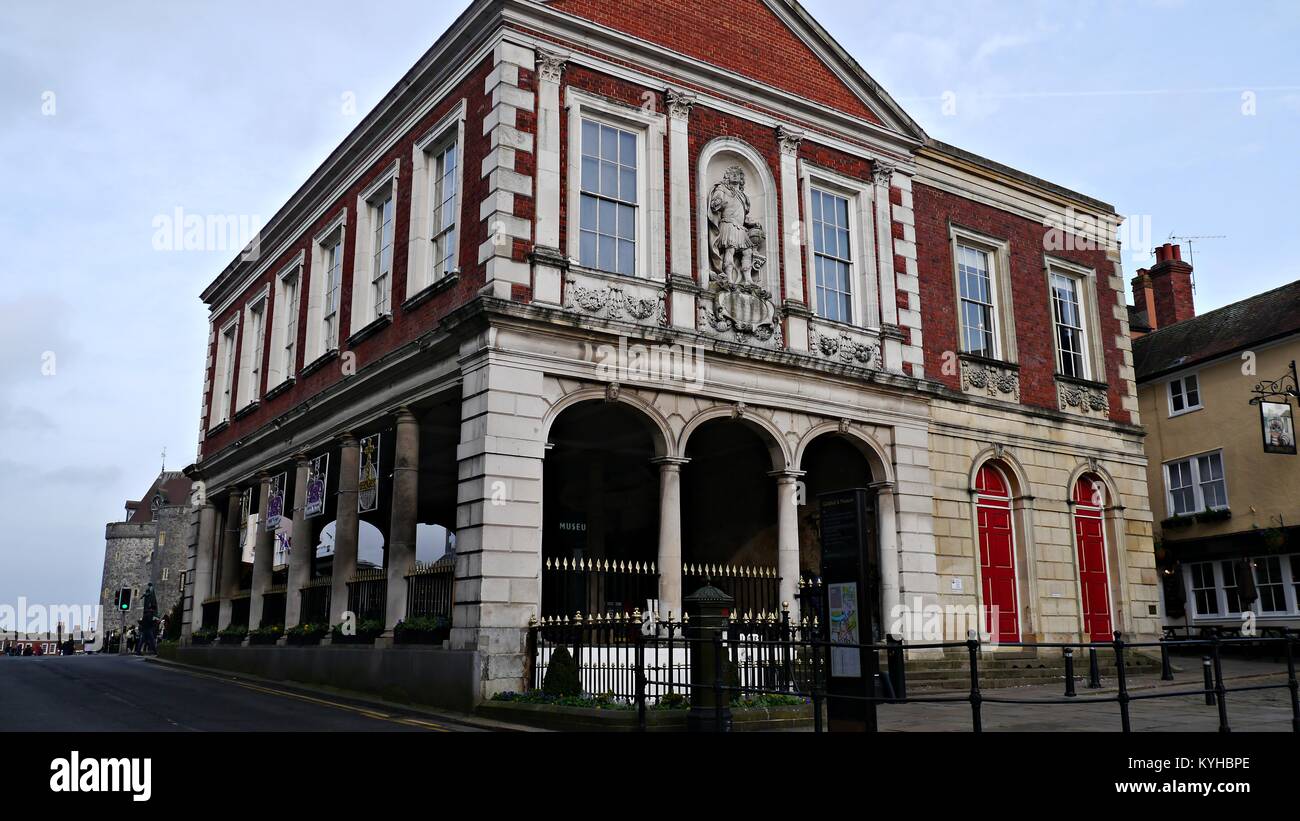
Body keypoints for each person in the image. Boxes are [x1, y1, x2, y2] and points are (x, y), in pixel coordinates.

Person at [139, 583, 159, 655]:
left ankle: (138, 651)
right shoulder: (149, 614)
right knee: (152, 640)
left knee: (142, 640)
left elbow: (148, 594)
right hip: (148, 628)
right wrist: (154, 622)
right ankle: (155, 651)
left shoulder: (146, 614)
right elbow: (149, 621)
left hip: (145, 628)